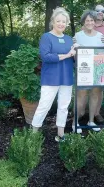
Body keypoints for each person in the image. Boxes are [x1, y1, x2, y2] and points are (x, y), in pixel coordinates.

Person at [32, 7, 76, 142]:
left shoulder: (69, 39)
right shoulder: (46, 37)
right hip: (51, 78)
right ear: (53, 22)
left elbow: (73, 58)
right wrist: (67, 55)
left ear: (67, 23)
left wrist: (77, 52)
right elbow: (46, 57)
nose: (61, 24)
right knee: (44, 105)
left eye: (64, 21)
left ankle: (61, 135)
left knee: (63, 106)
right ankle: (33, 135)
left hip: (66, 77)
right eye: (58, 21)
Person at [72, 10, 104, 133]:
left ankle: (91, 121)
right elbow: (74, 55)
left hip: (97, 71)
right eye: (87, 20)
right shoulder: (77, 36)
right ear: (84, 22)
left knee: (95, 95)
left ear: (95, 22)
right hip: (83, 71)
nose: (90, 22)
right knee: (81, 96)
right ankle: (75, 122)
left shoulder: (101, 37)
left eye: (92, 20)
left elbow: (102, 55)